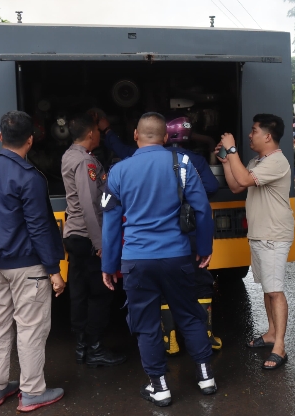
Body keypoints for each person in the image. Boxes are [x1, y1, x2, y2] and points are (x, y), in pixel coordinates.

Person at [101, 112, 216, 407]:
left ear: (136, 136)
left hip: (137, 260)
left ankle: (160, 386)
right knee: (189, 314)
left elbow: (111, 224)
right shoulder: (183, 164)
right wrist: (204, 248)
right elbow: (202, 209)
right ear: (165, 138)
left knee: (146, 322)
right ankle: (206, 376)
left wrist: (109, 265)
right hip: (177, 255)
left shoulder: (118, 171)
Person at [0, 111, 65, 411]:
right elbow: (38, 226)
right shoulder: (29, 177)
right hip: (26, 267)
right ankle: (33, 391)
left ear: (1, 138)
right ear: (31, 140)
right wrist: (53, 270)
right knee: (30, 328)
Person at [217, 114, 295, 370]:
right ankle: (272, 333)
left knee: (275, 291)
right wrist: (228, 161)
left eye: (253, 131)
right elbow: (237, 186)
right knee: (266, 288)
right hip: (260, 234)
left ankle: (280, 346)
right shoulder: (256, 161)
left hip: (273, 235)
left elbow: (244, 180)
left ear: (268, 136)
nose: (250, 135)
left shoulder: (277, 161)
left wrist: (231, 149)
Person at [62, 113, 126, 368]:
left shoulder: (69, 155)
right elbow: (91, 205)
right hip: (87, 238)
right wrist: (101, 245)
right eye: (98, 131)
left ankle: (82, 347)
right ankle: (96, 348)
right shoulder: (85, 162)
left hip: (74, 235)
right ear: (91, 134)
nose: (99, 135)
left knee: (78, 293)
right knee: (100, 294)